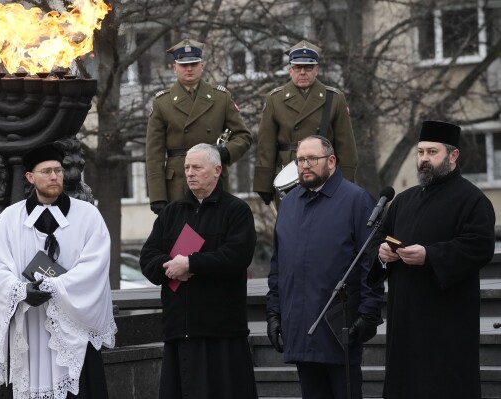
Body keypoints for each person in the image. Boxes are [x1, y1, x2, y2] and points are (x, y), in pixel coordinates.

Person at [369, 120, 496, 399]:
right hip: (405, 319)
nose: (424, 159)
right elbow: (381, 239)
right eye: (420, 152)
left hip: (446, 322)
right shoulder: (403, 200)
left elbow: (480, 247)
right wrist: (383, 254)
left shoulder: (472, 200)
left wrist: (430, 255)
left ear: (453, 156)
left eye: (432, 152)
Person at [0, 143, 117, 399]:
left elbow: (95, 266)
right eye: (46, 171)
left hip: (74, 328)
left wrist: (52, 287)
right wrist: (21, 291)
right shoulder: (10, 219)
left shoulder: (88, 216)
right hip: (32, 326)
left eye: (58, 170)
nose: (55, 176)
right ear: (30, 178)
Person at [266, 135, 384, 399]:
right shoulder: (288, 205)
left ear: (331, 161)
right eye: (300, 160)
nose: (304, 165)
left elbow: (370, 264)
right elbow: (278, 266)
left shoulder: (356, 200)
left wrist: (368, 315)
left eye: (311, 159)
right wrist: (274, 313)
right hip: (299, 327)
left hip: (339, 328)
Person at [140, 143, 259, 398]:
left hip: (222, 332)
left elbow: (237, 256)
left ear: (217, 170)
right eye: (186, 168)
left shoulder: (236, 211)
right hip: (180, 330)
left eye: (197, 167)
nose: (190, 173)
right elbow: (148, 258)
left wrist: (191, 263)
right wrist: (170, 267)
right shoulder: (171, 213)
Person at [146, 38, 253, 214]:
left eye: (194, 64)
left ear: (202, 66)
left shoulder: (220, 98)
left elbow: (244, 136)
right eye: (183, 65)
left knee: (216, 233)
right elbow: (154, 154)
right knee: (184, 238)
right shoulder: (162, 103)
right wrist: (158, 196)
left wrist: (224, 152)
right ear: (174, 68)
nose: (189, 69)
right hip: (178, 183)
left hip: (213, 178)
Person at [253, 40, 357, 207]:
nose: (303, 72)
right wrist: (263, 184)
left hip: (324, 176)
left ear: (316, 70)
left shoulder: (334, 98)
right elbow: (266, 146)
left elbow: (346, 146)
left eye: (308, 68)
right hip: (289, 175)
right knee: (291, 229)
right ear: (290, 70)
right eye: (297, 68)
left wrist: (347, 183)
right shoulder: (275, 99)